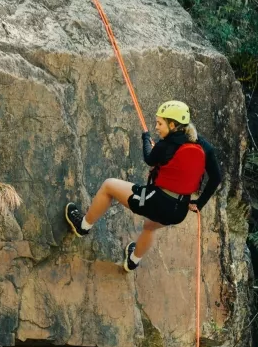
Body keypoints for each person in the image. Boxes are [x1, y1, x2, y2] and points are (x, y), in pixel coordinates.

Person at [64, 100, 222, 271]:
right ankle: (132, 261)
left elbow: (149, 158)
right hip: (179, 211)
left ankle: (83, 226)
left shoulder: (164, 145)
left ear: (173, 124)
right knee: (150, 226)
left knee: (108, 186)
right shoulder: (204, 146)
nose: (156, 127)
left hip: (156, 201)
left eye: (160, 123)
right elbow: (216, 177)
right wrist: (200, 203)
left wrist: (146, 139)